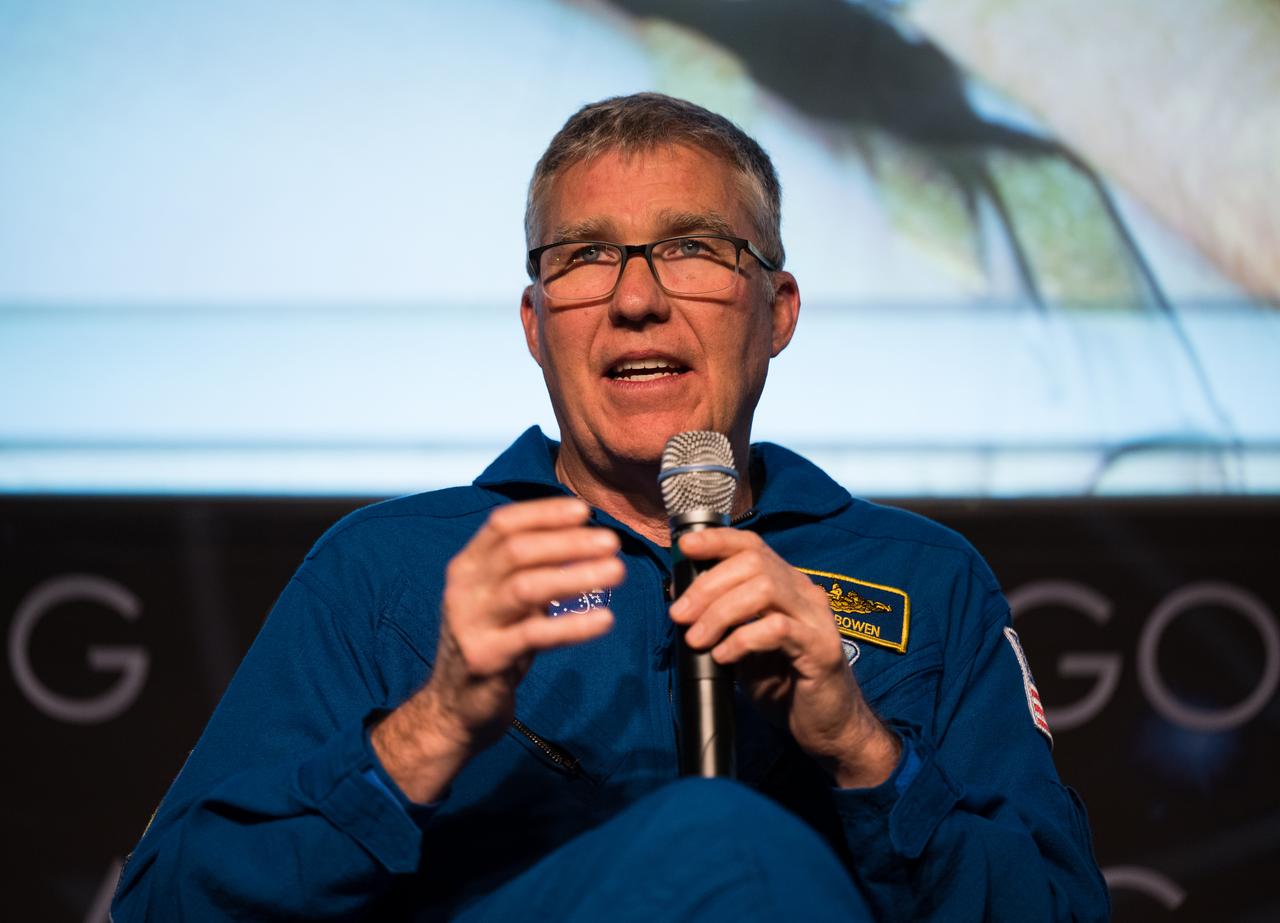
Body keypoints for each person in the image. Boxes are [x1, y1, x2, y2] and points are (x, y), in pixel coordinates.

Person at [112, 93, 1109, 921]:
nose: (635, 298)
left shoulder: (925, 581)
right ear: (535, 326)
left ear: (778, 312)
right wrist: (432, 724)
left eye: (693, 247)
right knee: (719, 840)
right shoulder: (385, 570)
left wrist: (857, 746)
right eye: (583, 257)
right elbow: (163, 906)